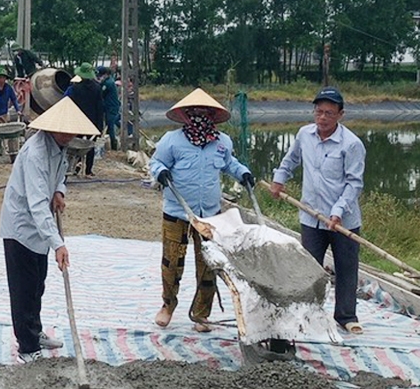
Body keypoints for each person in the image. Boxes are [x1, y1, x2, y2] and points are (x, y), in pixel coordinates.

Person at [0, 97, 101, 363]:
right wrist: (58, 244)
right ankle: (27, 346)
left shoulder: (59, 146)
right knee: (22, 290)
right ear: (53, 127)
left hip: (40, 229)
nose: (70, 135)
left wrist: (59, 191)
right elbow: (35, 204)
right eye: (66, 130)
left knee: (37, 285)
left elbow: (59, 175)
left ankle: (35, 332)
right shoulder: (35, 153)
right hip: (21, 227)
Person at [149, 88, 253, 333]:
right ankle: (168, 305)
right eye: (194, 113)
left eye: (204, 113)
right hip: (178, 212)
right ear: (186, 115)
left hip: (210, 214)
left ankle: (201, 313)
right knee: (172, 261)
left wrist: (243, 173)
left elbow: (229, 163)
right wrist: (160, 172)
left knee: (208, 264)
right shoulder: (172, 140)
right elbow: (156, 161)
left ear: (212, 116)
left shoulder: (222, 142)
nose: (199, 117)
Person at [270, 86, 366, 334]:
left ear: (340, 115)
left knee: (346, 268)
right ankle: (306, 313)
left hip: (342, 220)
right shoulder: (305, 134)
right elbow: (291, 159)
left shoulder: (352, 144)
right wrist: (280, 179)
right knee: (308, 268)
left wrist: (338, 211)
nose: (322, 118)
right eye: (319, 112)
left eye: (329, 113)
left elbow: (354, 182)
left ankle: (346, 316)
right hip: (311, 216)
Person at [63, 63, 103, 176]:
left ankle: (75, 167)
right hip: (92, 121)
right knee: (90, 145)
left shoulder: (75, 88)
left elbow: (67, 103)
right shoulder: (97, 88)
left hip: (78, 120)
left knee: (76, 145)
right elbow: (100, 108)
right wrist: (99, 126)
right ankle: (88, 171)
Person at [0, 65, 22, 154]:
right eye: (0, 77)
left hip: (4, 113)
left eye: (3, 78)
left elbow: (14, 99)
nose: (2, 80)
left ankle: (9, 149)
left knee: (7, 132)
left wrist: (18, 110)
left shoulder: (8, 88)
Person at [97, 66, 121, 151]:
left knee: (110, 126)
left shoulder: (108, 83)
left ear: (106, 74)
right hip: (109, 107)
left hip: (111, 107)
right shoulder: (108, 81)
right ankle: (110, 144)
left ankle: (113, 146)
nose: (100, 77)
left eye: (101, 75)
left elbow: (101, 92)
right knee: (110, 124)